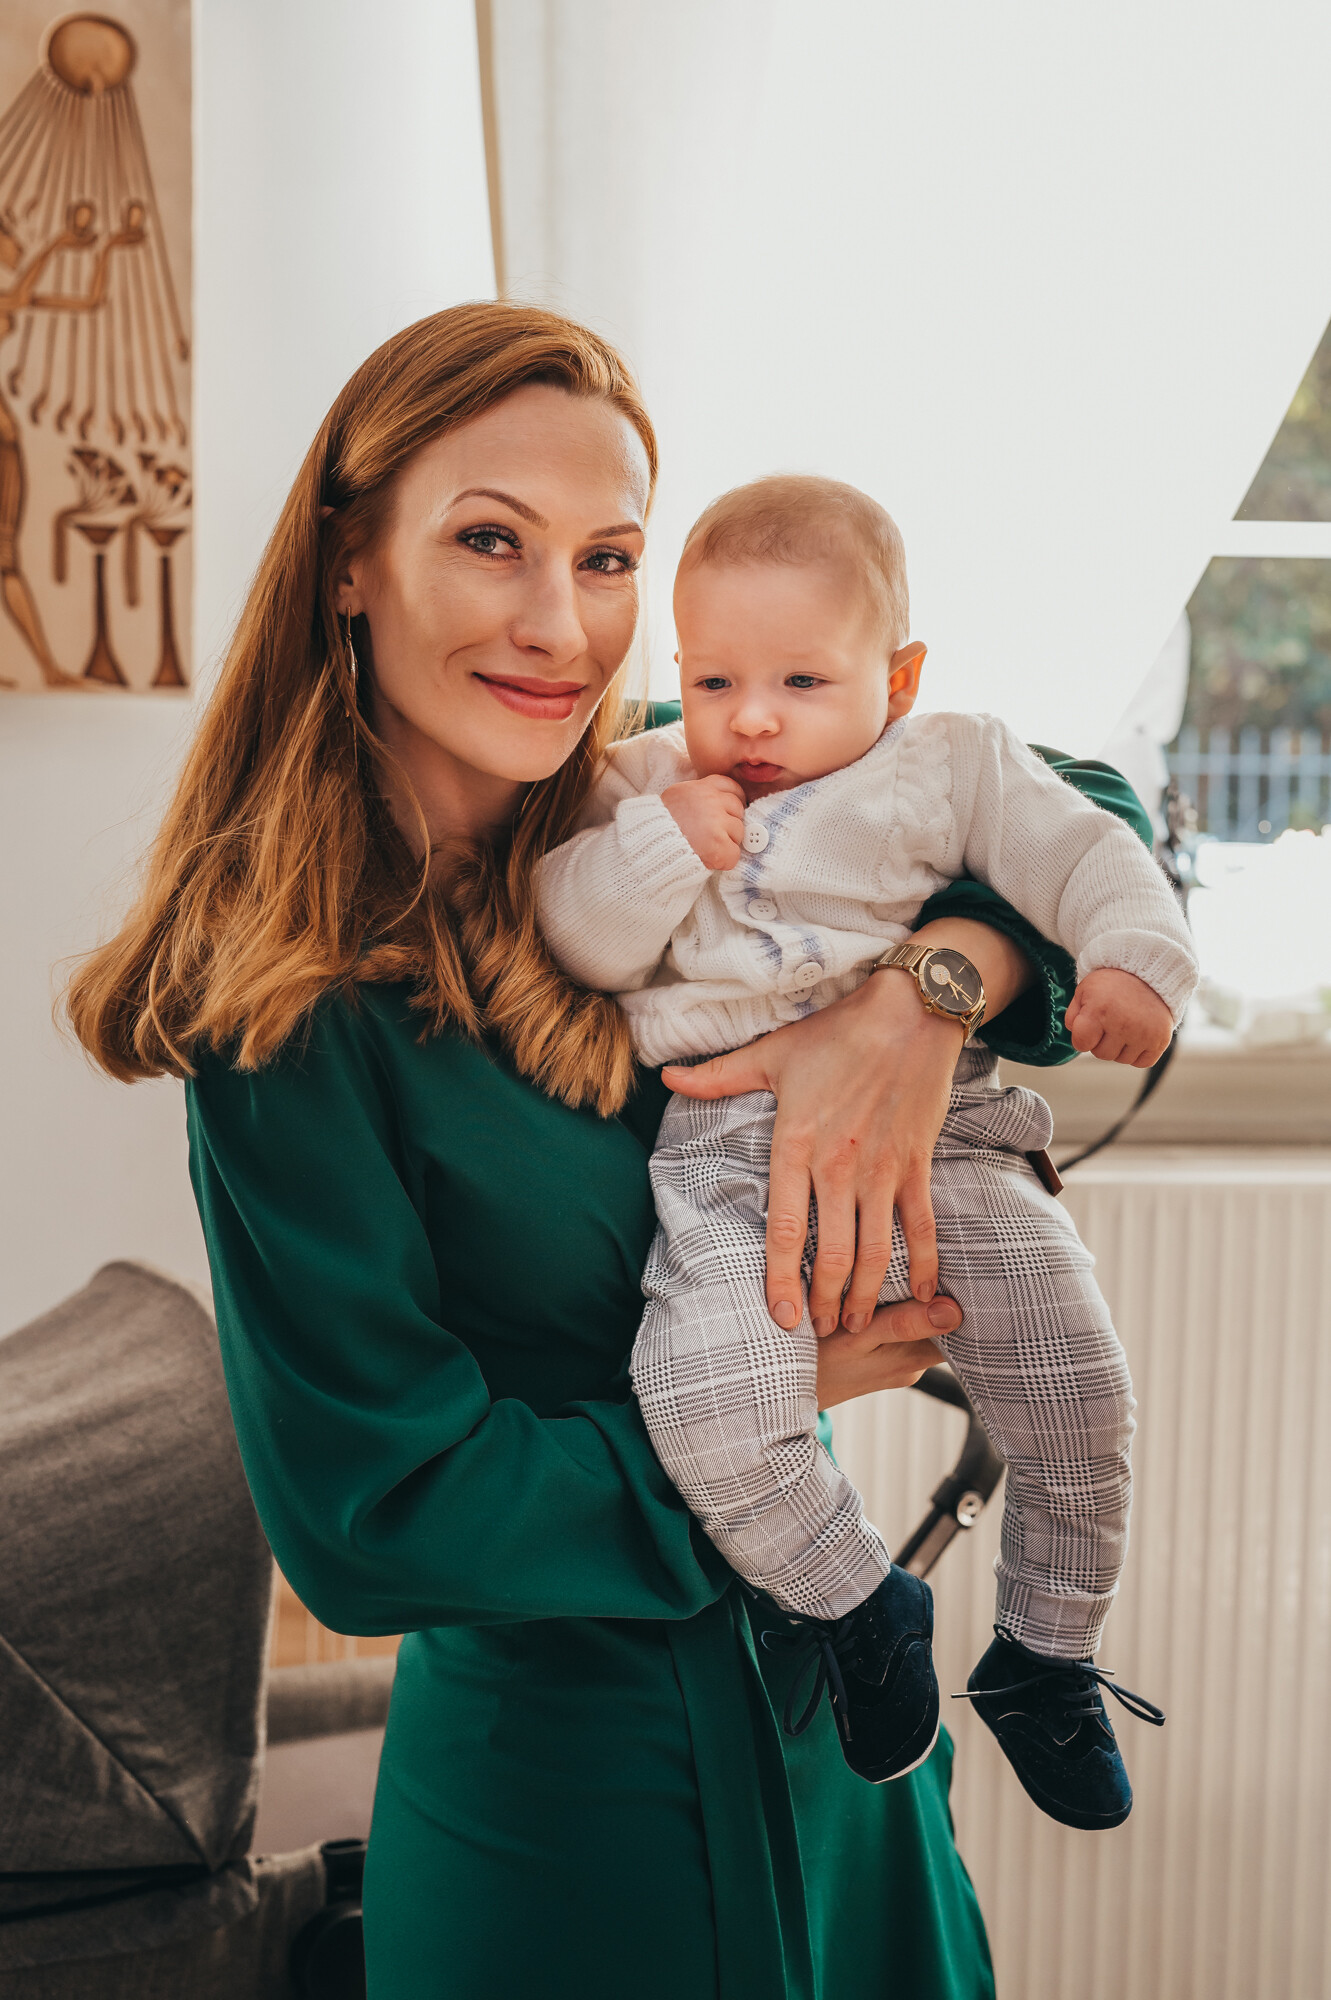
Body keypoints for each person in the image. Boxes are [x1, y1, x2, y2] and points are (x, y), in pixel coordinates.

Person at [67, 303, 1146, 1998]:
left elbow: (1070, 802)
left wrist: (926, 998)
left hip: (848, 1764)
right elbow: (376, 1517)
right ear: (350, 561)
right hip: (576, 1828)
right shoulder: (286, 1011)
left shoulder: (672, 781)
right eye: (490, 541)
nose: (558, 626)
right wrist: (788, 1389)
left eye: (610, 557)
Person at [536, 474, 1193, 1828]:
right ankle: (857, 1602)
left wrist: (1136, 959)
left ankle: (1045, 1653)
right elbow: (578, 936)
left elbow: (1087, 850)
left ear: (896, 679)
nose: (751, 718)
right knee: (704, 1403)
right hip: (726, 1168)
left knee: (1079, 1389)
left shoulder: (948, 762)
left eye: (801, 680)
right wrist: (659, 850)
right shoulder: (647, 778)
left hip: (951, 1143)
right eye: (714, 679)